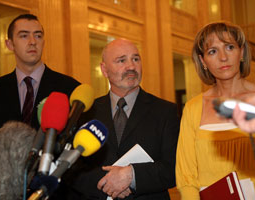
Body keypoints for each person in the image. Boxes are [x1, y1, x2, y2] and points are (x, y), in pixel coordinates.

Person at [52, 38, 180, 199]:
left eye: (135, 59)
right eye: (121, 60)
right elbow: (70, 168)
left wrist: (132, 177)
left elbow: (174, 168)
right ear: (104, 70)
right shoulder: (85, 111)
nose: (131, 66)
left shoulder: (165, 111)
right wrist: (109, 184)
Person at [175, 22, 255, 199]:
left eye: (229, 47)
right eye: (212, 51)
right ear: (203, 61)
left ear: (241, 52)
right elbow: (186, 177)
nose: (223, 57)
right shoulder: (193, 108)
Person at [0, 14, 80, 143]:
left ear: (43, 42)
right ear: (10, 44)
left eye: (38, 36)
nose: (33, 42)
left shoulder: (71, 89)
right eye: (24, 36)